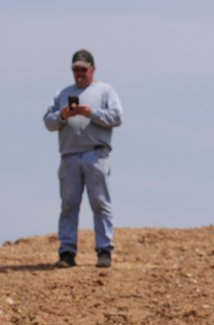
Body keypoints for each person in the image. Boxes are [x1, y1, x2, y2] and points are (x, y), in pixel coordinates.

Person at [43, 49, 123, 268]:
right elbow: (48, 122)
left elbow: (117, 117)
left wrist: (91, 112)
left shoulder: (105, 91)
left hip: (96, 154)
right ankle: (67, 252)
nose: (79, 73)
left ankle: (104, 250)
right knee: (69, 204)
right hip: (69, 156)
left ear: (92, 69)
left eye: (83, 69)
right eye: (75, 69)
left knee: (100, 202)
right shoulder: (62, 93)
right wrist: (63, 115)